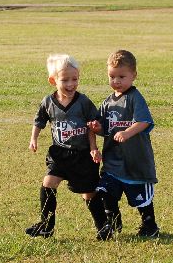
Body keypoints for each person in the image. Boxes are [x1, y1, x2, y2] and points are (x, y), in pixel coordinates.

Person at [25, 54, 109, 239]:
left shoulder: (83, 102)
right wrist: (33, 139)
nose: (71, 84)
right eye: (65, 80)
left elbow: (91, 126)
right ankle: (46, 226)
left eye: (75, 79)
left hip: (82, 156)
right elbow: (39, 121)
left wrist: (93, 148)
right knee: (48, 183)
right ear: (53, 80)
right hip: (59, 153)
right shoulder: (48, 102)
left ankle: (103, 227)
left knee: (88, 193)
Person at [88, 50, 160, 239]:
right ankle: (113, 220)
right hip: (113, 162)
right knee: (105, 191)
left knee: (141, 199)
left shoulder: (135, 97)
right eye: (112, 76)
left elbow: (144, 122)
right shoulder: (107, 103)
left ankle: (149, 225)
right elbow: (105, 129)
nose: (116, 81)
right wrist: (97, 128)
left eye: (121, 76)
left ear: (133, 75)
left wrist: (127, 133)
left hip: (136, 163)